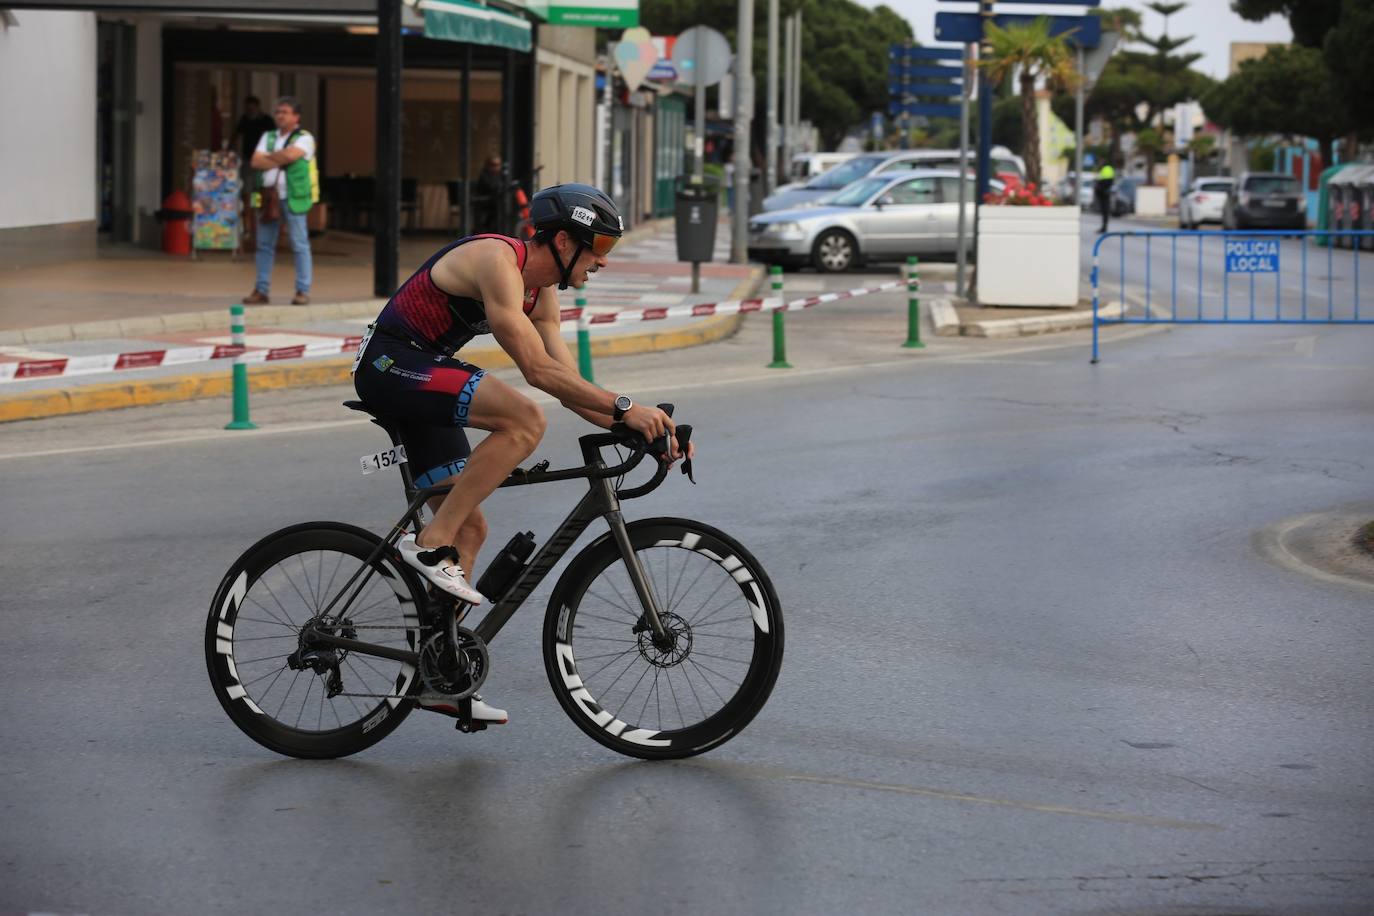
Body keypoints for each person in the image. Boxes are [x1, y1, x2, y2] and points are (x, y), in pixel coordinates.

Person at [352, 183, 690, 725]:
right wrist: (626, 407)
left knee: (470, 530)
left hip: (423, 379)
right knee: (524, 419)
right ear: (564, 241)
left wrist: (643, 429)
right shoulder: (498, 261)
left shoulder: (543, 295)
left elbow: (568, 385)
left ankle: (438, 677)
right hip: (390, 365)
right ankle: (429, 541)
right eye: (600, 246)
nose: (603, 261)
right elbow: (535, 372)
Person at [243, 96, 316, 306]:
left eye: (285, 112)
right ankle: (261, 289)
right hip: (269, 197)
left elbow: (291, 156)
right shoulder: (269, 136)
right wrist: (280, 156)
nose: (280, 116)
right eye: (278, 112)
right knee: (264, 244)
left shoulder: (304, 137)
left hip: (293, 197)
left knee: (299, 244)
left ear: (296, 117)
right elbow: (255, 161)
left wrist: (268, 158)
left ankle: (302, 290)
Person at [472, 157, 506, 234]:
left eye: (498, 165)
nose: (496, 167)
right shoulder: (485, 175)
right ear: (488, 166)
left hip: (495, 206)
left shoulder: (501, 175)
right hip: (484, 206)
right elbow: (492, 187)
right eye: (494, 165)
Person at [1095, 162, 1116, 234]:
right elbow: (1112, 181)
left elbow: (1100, 181)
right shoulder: (1110, 169)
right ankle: (1104, 227)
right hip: (1106, 192)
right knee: (1105, 211)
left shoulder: (1104, 170)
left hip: (1103, 193)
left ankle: (1104, 227)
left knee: (1105, 211)